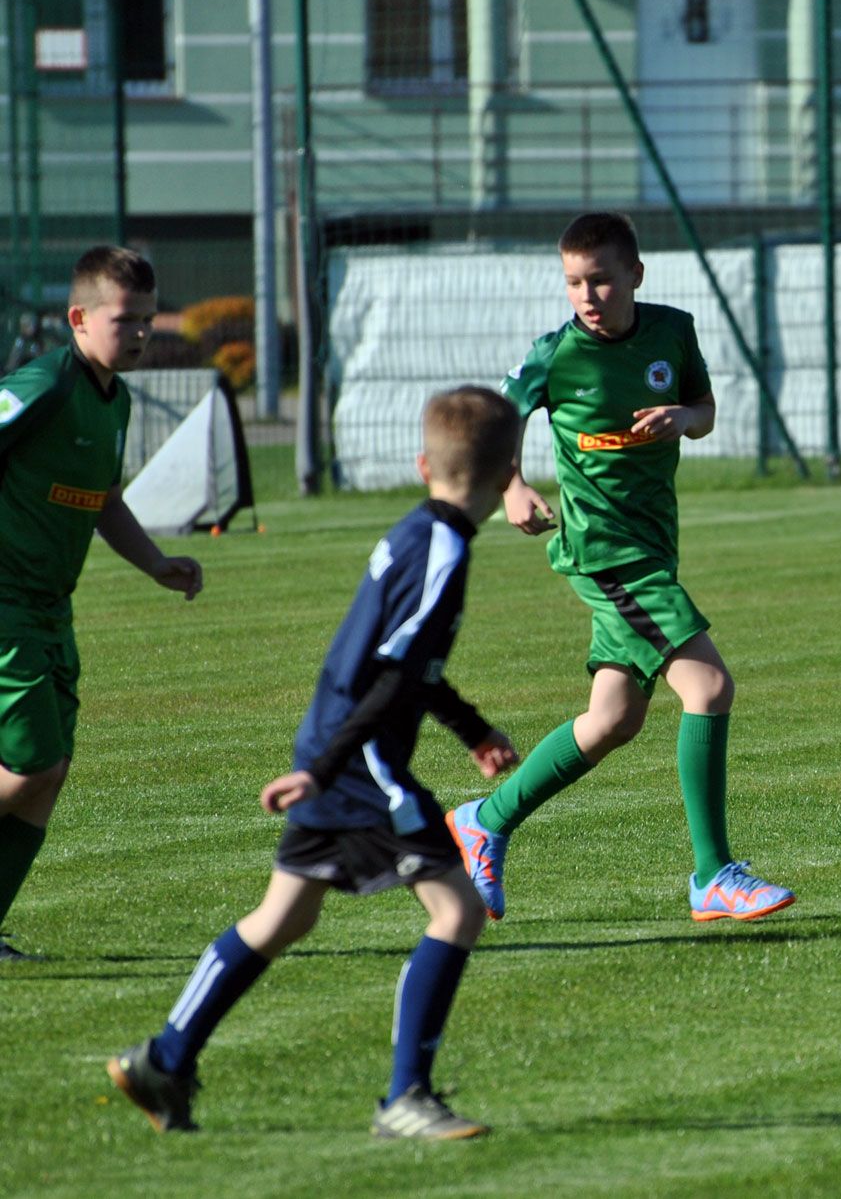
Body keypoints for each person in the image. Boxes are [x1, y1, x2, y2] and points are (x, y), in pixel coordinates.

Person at [107, 386, 524, 1138]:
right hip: (360, 761)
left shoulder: (415, 532)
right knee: (458, 908)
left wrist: (471, 728)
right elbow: (393, 676)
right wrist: (327, 771)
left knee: (284, 916)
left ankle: (164, 1058)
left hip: (334, 742)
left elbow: (408, 664)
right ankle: (407, 1096)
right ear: (509, 473)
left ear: (422, 462)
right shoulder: (446, 549)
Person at [446, 212, 794, 925]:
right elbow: (492, 425)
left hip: (653, 546)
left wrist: (682, 419)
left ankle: (485, 820)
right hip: (602, 553)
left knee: (612, 719)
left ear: (635, 273)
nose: (587, 294)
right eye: (574, 281)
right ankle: (713, 874)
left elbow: (706, 409)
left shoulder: (673, 330)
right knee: (710, 683)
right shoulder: (554, 355)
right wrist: (511, 487)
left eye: (600, 278)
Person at [0, 247, 202, 961]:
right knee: (29, 765)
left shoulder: (113, 398)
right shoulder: (48, 382)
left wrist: (154, 562)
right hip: (6, 604)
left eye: (149, 319)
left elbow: (104, 499)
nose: (142, 332)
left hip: (53, 608)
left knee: (46, 779)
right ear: (78, 317)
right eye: (126, 320)